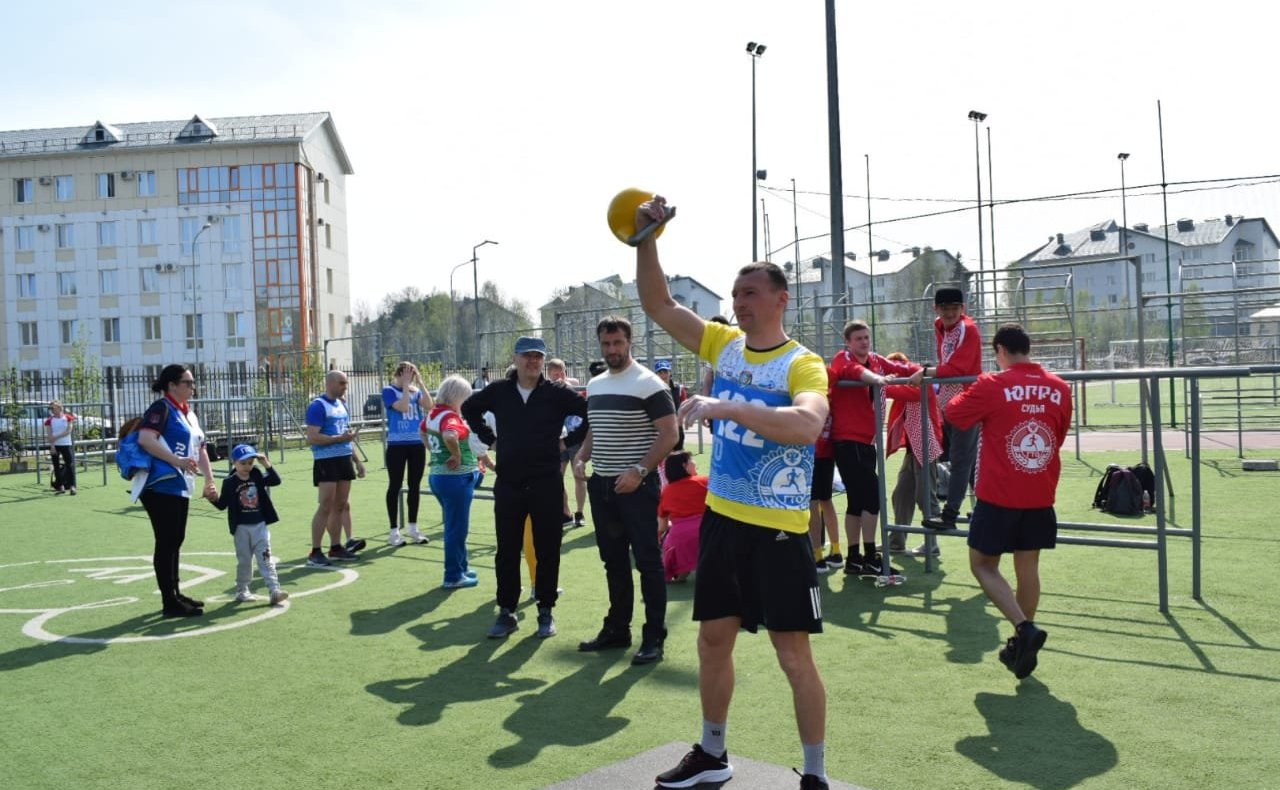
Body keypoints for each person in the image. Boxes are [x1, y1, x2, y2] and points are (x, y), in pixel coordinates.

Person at [633, 196, 832, 790]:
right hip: (723, 520)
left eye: (750, 293)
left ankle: (816, 773)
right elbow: (658, 303)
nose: (739, 302)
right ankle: (713, 753)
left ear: (779, 299)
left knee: (792, 656)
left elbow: (807, 425)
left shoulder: (804, 365)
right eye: (735, 293)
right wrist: (648, 236)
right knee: (712, 640)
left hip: (779, 531)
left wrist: (724, 404)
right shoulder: (723, 345)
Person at [942, 324, 1072, 679]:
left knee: (982, 564)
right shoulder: (1060, 387)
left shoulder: (992, 384)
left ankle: (1023, 628)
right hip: (1040, 489)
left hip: (999, 491)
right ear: (1027, 349)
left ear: (999, 350)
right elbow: (1058, 436)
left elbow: (954, 413)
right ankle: (1020, 644)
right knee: (1027, 568)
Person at [462, 336, 588, 640]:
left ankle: (546, 610)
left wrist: (569, 442)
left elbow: (589, 412)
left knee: (548, 548)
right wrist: (490, 438)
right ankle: (506, 611)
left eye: (538, 356)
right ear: (516, 359)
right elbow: (469, 407)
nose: (533, 361)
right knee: (506, 549)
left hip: (547, 481)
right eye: (527, 356)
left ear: (543, 361)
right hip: (509, 481)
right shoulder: (500, 391)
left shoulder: (557, 393)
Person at [573, 316, 679, 665]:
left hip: (637, 487)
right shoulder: (598, 383)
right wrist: (582, 457)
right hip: (603, 487)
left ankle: (654, 638)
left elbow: (669, 433)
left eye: (618, 343)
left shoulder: (649, 383)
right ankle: (618, 629)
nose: (612, 350)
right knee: (613, 562)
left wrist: (639, 470)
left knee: (648, 563)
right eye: (606, 344)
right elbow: (596, 427)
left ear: (629, 342)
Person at [827, 320, 923, 578]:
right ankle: (869, 556)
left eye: (866, 337)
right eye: (858, 338)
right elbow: (856, 372)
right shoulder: (842, 358)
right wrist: (878, 380)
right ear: (848, 342)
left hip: (866, 441)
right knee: (871, 498)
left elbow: (904, 366)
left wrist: (922, 372)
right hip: (848, 440)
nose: (864, 342)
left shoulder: (876, 359)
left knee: (858, 502)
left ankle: (855, 558)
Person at [134, 364, 217, 617]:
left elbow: (200, 448)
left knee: (176, 539)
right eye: (188, 383)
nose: (193, 387)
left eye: (193, 383)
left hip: (180, 485)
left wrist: (209, 480)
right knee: (167, 540)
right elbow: (145, 439)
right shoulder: (161, 408)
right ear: (171, 385)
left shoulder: (189, 413)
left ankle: (176, 593)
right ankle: (169, 601)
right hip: (159, 485)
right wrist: (176, 460)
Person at [921, 287, 983, 534]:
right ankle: (984, 508)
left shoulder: (968, 330)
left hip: (966, 403)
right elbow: (948, 363)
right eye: (945, 308)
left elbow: (958, 367)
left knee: (961, 460)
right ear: (937, 309)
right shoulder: (941, 327)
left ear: (962, 309)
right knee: (969, 461)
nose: (949, 313)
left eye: (954, 308)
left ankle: (949, 514)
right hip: (949, 402)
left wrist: (926, 372)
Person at [421, 375, 484, 589]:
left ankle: (461, 567)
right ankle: (453, 575)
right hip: (455, 479)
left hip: (439, 476)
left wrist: (434, 453)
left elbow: (422, 431)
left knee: (454, 525)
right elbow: (449, 436)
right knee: (456, 529)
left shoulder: (433, 413)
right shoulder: (450, 417)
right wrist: (456, 455)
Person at [208, 444, 288, 605]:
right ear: (234, 463)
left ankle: (274, 590)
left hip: (260, 526)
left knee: (266, 558)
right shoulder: (230, 482)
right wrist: (212, 498)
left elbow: (275, 480)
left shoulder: (257, 475)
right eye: (242, 463)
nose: (247, 467)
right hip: (241, 528)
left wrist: (267, 464)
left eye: (250, 463)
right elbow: (222, 504)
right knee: (244, 560)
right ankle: (242, 590)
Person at [884, 351, 944, 552]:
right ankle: (897, 542)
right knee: (901, 494)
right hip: (913, 450)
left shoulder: (921, 384)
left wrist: (879, 383)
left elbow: (898, 392)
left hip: (925, 447)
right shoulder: (911, 384)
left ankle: (932, 544)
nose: (892, 374)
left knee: (925, 496)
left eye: (894, 369)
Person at [305, 370, 365, 567]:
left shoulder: (342, 404)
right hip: (326, 461)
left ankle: (336, 547)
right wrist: (338, 439)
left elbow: (345, 435)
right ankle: (315, 551)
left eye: (345, 383)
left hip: (343, 459)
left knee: (340, 505)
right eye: (341, 383)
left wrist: (356, 461)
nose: (345, 387)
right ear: (329, 383)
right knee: (325, 506)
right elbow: (312, 437)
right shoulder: (317, 406)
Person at [383, 361, 434, 547]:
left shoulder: (415, 390)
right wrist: (405, 386)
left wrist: (420, 383)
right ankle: (394, 530)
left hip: (416, 444)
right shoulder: (388, 391)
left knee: (415, 485)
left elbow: (429, 405)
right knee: (395, 485)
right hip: (397, 445)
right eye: (407, 374)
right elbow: (403, 407)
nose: (410, 378)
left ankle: (413, 527)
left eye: (412, 374)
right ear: (399, 374)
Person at [547, 357, 587, 528]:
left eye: (560, 372)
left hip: (574, 437)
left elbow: (573, 382)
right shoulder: (546, 388)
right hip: (557, 438)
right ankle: (565, 511)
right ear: (548, 374)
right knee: (557, 477)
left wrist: (563, 382)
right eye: (554, 374)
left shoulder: (571, 384)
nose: (558, 377)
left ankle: (579, 512)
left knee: (579, 474)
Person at [658, 451, 709, 583]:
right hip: (706, 532)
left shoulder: (667, 491)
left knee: (677, 546)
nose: (695, 463)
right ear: (684, 466)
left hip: (680, 538)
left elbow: (662, 526)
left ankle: (680, 575)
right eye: (692, 460)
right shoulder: (705, 481)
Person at [809, 411, 842, 572]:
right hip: (827, 452)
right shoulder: (829, 394)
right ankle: (836, 551)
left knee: (813, 503)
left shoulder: (814, 393)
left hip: (812, 452)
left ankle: (817, 557)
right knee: (826, 500)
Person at [654, 359, 688, 451]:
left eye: (665, 372)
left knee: (678, 455)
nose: (663, 375)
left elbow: (685, 405)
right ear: (656, 374)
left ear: (670, 373)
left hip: (676, 427)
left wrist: (680, 420)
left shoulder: (679, 389)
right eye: (660, 372)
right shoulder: (652, 390)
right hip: (659, 429)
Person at [44, 400, 77, 494]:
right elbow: (49, 435)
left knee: (70, 465)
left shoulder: (68, 418)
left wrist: (56, 437)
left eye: (53, 408)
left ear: (59, 407)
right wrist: (52, 446)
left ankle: (72, 486)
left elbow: (68, 431)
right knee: (56, 466)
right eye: (51, 408)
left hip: (66, 444)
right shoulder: (49, 420)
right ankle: (60, 486)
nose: (52, 410)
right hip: (55, 445)